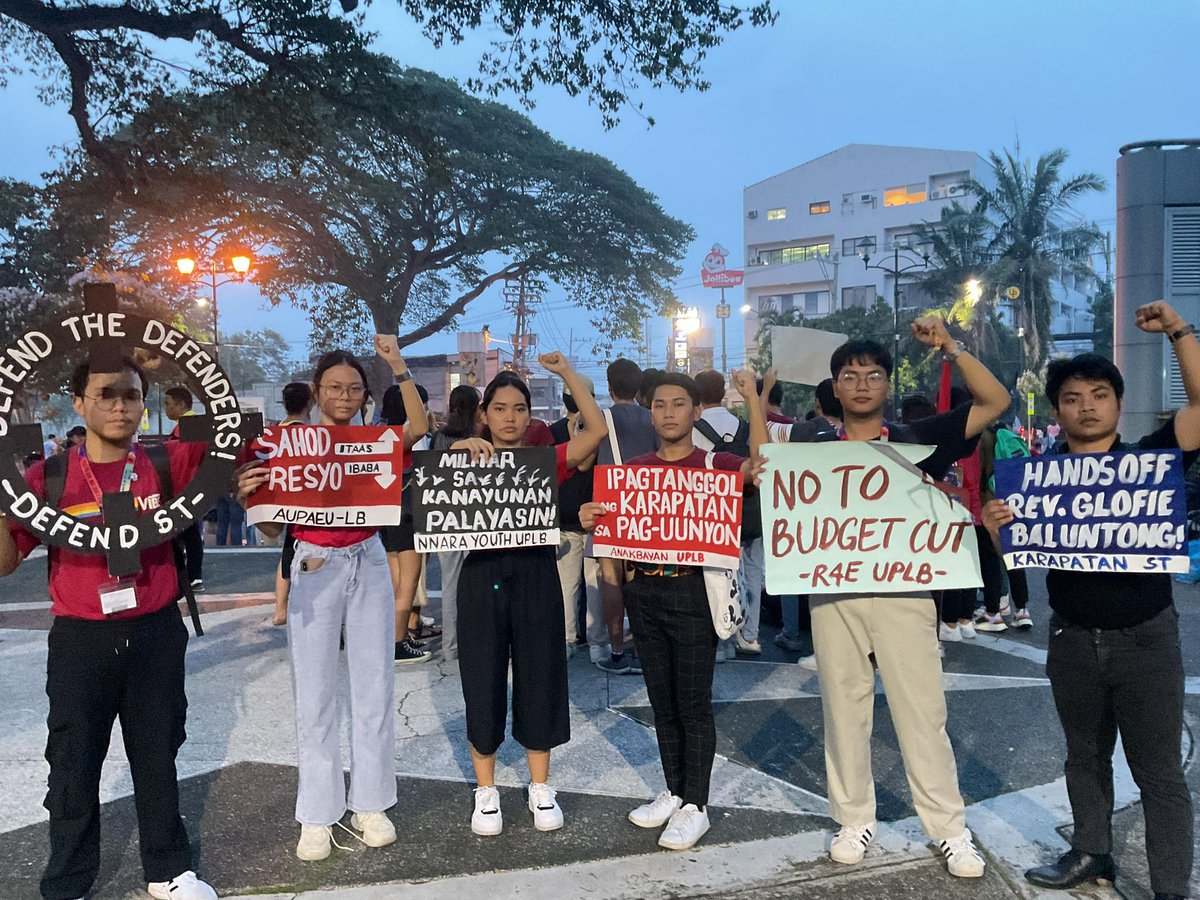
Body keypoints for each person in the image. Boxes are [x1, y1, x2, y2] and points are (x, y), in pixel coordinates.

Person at [741, 317, 1012, 879]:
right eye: (849, 375)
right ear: (834, 388)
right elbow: (765, 468)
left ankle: (949, 828)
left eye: (872, 375)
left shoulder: (918, 440)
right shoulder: (812, 444)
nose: (861, 384)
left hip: (904, 593)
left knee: (922, 713)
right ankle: (852, 817)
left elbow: (996, 399)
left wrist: (951, 348)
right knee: (843, 711)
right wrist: (753, 407)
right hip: (833, 597)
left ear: (887, 385)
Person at [982, 301, 1198, 900]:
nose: (1086, 406)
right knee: (1083, 759)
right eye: (1073, 398)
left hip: (1145, 637)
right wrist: (995, 523)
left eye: (1099, 394)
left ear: (1117, 404)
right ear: (1058, 410)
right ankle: (1091, 853)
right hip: (1071, 637)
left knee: (1159, 776)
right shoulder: (1036, 478)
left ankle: (1171, 889)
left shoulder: (1150, 462)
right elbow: (1015, 553)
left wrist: (1179, 332)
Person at [0, 356, 216, 900]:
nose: (121, 406)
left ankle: (168, 871)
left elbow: (236, 442)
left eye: (132, 395)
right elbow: (5, 561)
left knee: (158, 751)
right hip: (80, 637)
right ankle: (67, 882)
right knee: (72, 762)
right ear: (78, 403)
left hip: (154, 630)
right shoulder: (47, 475)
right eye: (106, 395)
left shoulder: (169, 460)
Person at [237, 336, 425, 862]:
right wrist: (252, 495)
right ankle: (317, 814)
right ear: (317, 390)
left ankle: (371, 803)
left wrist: (397, 365)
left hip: (366, 559)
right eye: (334, 387)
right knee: (315, 693)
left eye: (355, 389)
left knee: (375, 686)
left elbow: (421, 427)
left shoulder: (377, 440)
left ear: (366, 395)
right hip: (313, 562)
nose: (344, 396)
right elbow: (274, 530)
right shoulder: (284, 446)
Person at [579, 372, 764, 851]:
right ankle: (675, 789)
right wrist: (589, 517)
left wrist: (754, 404)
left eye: (678, 404)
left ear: (695, 412)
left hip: (694, 595)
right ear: (650, 411)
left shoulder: (714, 465)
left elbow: (762, 465)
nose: (668, 413)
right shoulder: (634, 471)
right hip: (645, 593)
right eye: (659, 405)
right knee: (662, 700)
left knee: (693, 703)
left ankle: (696, 805)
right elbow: (608, 526)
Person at [452, 353, 607, 837]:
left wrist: (567, 375)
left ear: (529, 414)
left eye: (519, 408)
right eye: (500, 408)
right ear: (484, 414)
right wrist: (460, 448)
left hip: (536, 573)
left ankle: (541, 786)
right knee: (482, 674)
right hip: (480, 575)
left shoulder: (545, 461)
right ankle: (486, 790)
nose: (510, 417)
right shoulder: (463, 456)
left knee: (541, 672)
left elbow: (596, 430)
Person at [595, 358, 658, 675]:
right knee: (639, 580)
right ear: (638, 388)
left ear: (609, 386)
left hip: (608, 504)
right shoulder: (652, 419)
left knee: (611, 578)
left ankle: (617, 651)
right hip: (644, 507)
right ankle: (643, 649)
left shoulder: (599, 419)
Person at [376, 382, 436, 665]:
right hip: (408, 512)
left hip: (385, 513)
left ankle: (393, 637)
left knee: (394, 581)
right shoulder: (400, 436)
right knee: (408, 583)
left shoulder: (376, 435)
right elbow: (421, 428)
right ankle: (397, 643)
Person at [550, 374, 605, 659]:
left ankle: (567, 641)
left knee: (566, 588)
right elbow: (586, 465)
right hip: (597, 516)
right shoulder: (601, 430)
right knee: (596, 588)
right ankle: (597, 644)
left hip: (563, 516)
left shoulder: (553, 430)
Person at [429, 384, 482, 661]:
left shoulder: (439, 437)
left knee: (450, 585)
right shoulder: (478, 437)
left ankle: (451, 647)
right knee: (478, 585)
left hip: (443, 517)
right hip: (475, 517)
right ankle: (476, 640)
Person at [271, 382, 315, 627]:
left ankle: (280, 608)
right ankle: (291, 608)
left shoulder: (277, 431)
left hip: (283, 499)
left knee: (287, 554)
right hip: (305, 501)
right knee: (295, 553)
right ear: (309, 403)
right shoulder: (308, 433)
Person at [165, 386, 204, 592]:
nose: (165, 409)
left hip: (182, 488)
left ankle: (190, 576)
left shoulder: (188, 428)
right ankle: (192, 575)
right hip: (192, 487)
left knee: (185, 534)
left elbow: (181, 463)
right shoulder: (192, 426)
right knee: (189, 534)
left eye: (168, 404)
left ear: (180, 405)